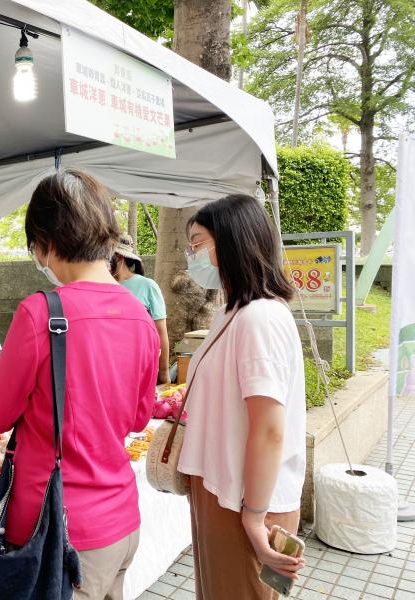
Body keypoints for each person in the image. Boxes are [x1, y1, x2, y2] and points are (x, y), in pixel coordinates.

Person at [0, 169, 160, 600]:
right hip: (122, 522)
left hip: (62, 532)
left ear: (46, 242)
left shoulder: (41, 313)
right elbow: (138, 419)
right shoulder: (139, 316)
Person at [176, 194, 307, 599]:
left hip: (245, 500)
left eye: (197, 243)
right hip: (225, 492)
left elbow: (269, 429)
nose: (190, 255)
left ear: (230, 242)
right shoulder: (235, 312)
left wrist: (254, 518)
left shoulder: (259, 318)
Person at [111, 234, 170, 384]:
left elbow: (161, 332)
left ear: (119, 257)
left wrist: (163, 373)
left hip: (140, 367)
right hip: (110, 366)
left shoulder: (147, 286)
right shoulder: (102, 286)